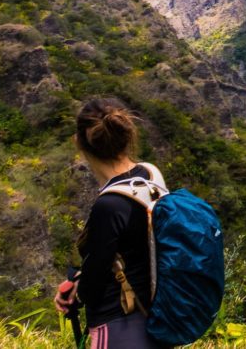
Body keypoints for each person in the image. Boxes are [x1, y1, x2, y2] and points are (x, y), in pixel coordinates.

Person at [53, 98, 170, 349]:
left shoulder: (109, 205)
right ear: (125, 136)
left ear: (78, 142)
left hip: (119, 325)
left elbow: (92, 288)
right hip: (158, 318)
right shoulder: (151, 174)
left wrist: (76, 290)